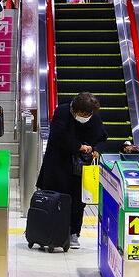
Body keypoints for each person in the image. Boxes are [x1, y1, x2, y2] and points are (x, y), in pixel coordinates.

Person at [37, 92, 107, 249]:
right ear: (74, 110)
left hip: (81, 167)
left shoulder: (93, 116)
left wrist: (95, 149)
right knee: (56, 197)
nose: (85, 116)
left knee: (78, 201)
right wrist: (80, 147)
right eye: (82, 113)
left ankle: (74, 233)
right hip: (58, 164)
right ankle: (51, 232)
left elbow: (102, 137)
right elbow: (58, 136)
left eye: (88, 114)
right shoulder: (62, 111)